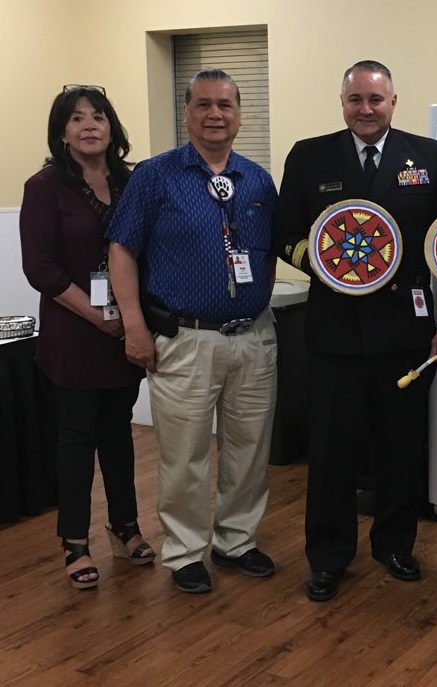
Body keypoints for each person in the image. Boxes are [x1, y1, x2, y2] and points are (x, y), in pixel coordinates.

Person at [274, 59, 437, 602]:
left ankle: (395, 544)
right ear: (342, 103)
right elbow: (284, 233)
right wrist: (328, 262)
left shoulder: (427, 157)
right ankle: (329, 556)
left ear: (393, 102)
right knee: (331, 451)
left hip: (406, 333)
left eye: (375, 99)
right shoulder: (310, 155)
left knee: (401, 448)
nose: (365, 108)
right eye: (355, 99)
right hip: (333, 334)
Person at [106, 69, 279, 594]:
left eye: (225, 105)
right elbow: (121, 249)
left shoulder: (257, 180)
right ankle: (184, 551)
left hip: (253, 336)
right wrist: (133, 325)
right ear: (187, 112)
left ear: (239, 114)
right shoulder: (155, 176)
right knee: (184, 454)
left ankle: (236, 541)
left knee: (249, 447)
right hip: (185, 338)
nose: (214, 115)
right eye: (203, 104)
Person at [19, 85, 155, 589]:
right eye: (76, 119)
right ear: (62, 132)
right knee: (76, 438)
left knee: (118, 433)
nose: (89, 126)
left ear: (111, 127)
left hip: (128, 329)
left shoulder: (131, 182)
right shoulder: (45, 186)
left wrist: (133, 320)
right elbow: (42, 270)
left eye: (98, 116)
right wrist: (104, 320)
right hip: (75, 332)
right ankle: (74, 543)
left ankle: (126, 527)